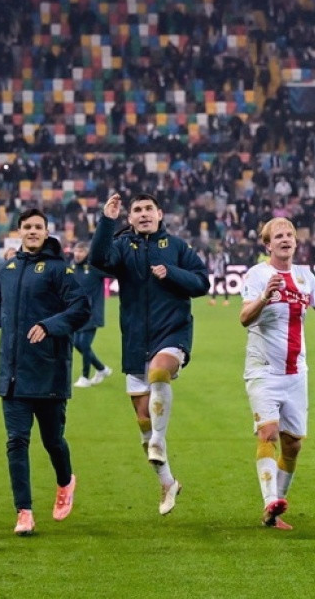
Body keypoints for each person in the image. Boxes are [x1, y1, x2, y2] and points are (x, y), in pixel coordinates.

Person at [89, 193, 211, 515]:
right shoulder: (121, 247)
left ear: (160, 213)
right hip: (135, 341)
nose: (143, 214)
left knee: (159, 372)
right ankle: (168, 482)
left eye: (148, 209)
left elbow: (202, 283)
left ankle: (159, 438)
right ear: (130, 218)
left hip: (172, 333)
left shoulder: (177, 247)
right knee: (143, 422)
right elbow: (97, 260)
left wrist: (171, 272)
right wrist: (106, 221)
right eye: (137, 210)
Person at [239, 218, 315, 530]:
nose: (286, 239)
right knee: (268, 433)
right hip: (263, 370)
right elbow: (244, 318)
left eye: (289, 234)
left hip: (296, 374)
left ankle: (273, 512)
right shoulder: (257, 275)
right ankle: (269, 500)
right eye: (278, 236)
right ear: (268, 245)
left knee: (293, 445)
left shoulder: (305, 276)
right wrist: (265, 296)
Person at [0, 208, 89, 534]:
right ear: (18, 231)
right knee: (16, 442)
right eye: (27, 226)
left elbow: (81, 308)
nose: (32, 231)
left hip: (48, 371)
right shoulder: (7, 270)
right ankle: (24, 512)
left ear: (46, 232)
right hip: (12, 374)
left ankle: (65, 481)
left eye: (38, 227)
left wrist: (49, 325)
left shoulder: (59, 269)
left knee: (52, 440)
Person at [70, 240, 114, 388]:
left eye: (81, 251)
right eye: (76, 251)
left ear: (87, 253)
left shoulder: (94, 267)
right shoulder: (72, 267)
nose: (77, 254)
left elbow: (113, 272)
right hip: (77, 312)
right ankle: (102, 369)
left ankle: (85, 377)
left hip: (92, 312)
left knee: (84, 344)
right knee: (77, 343)